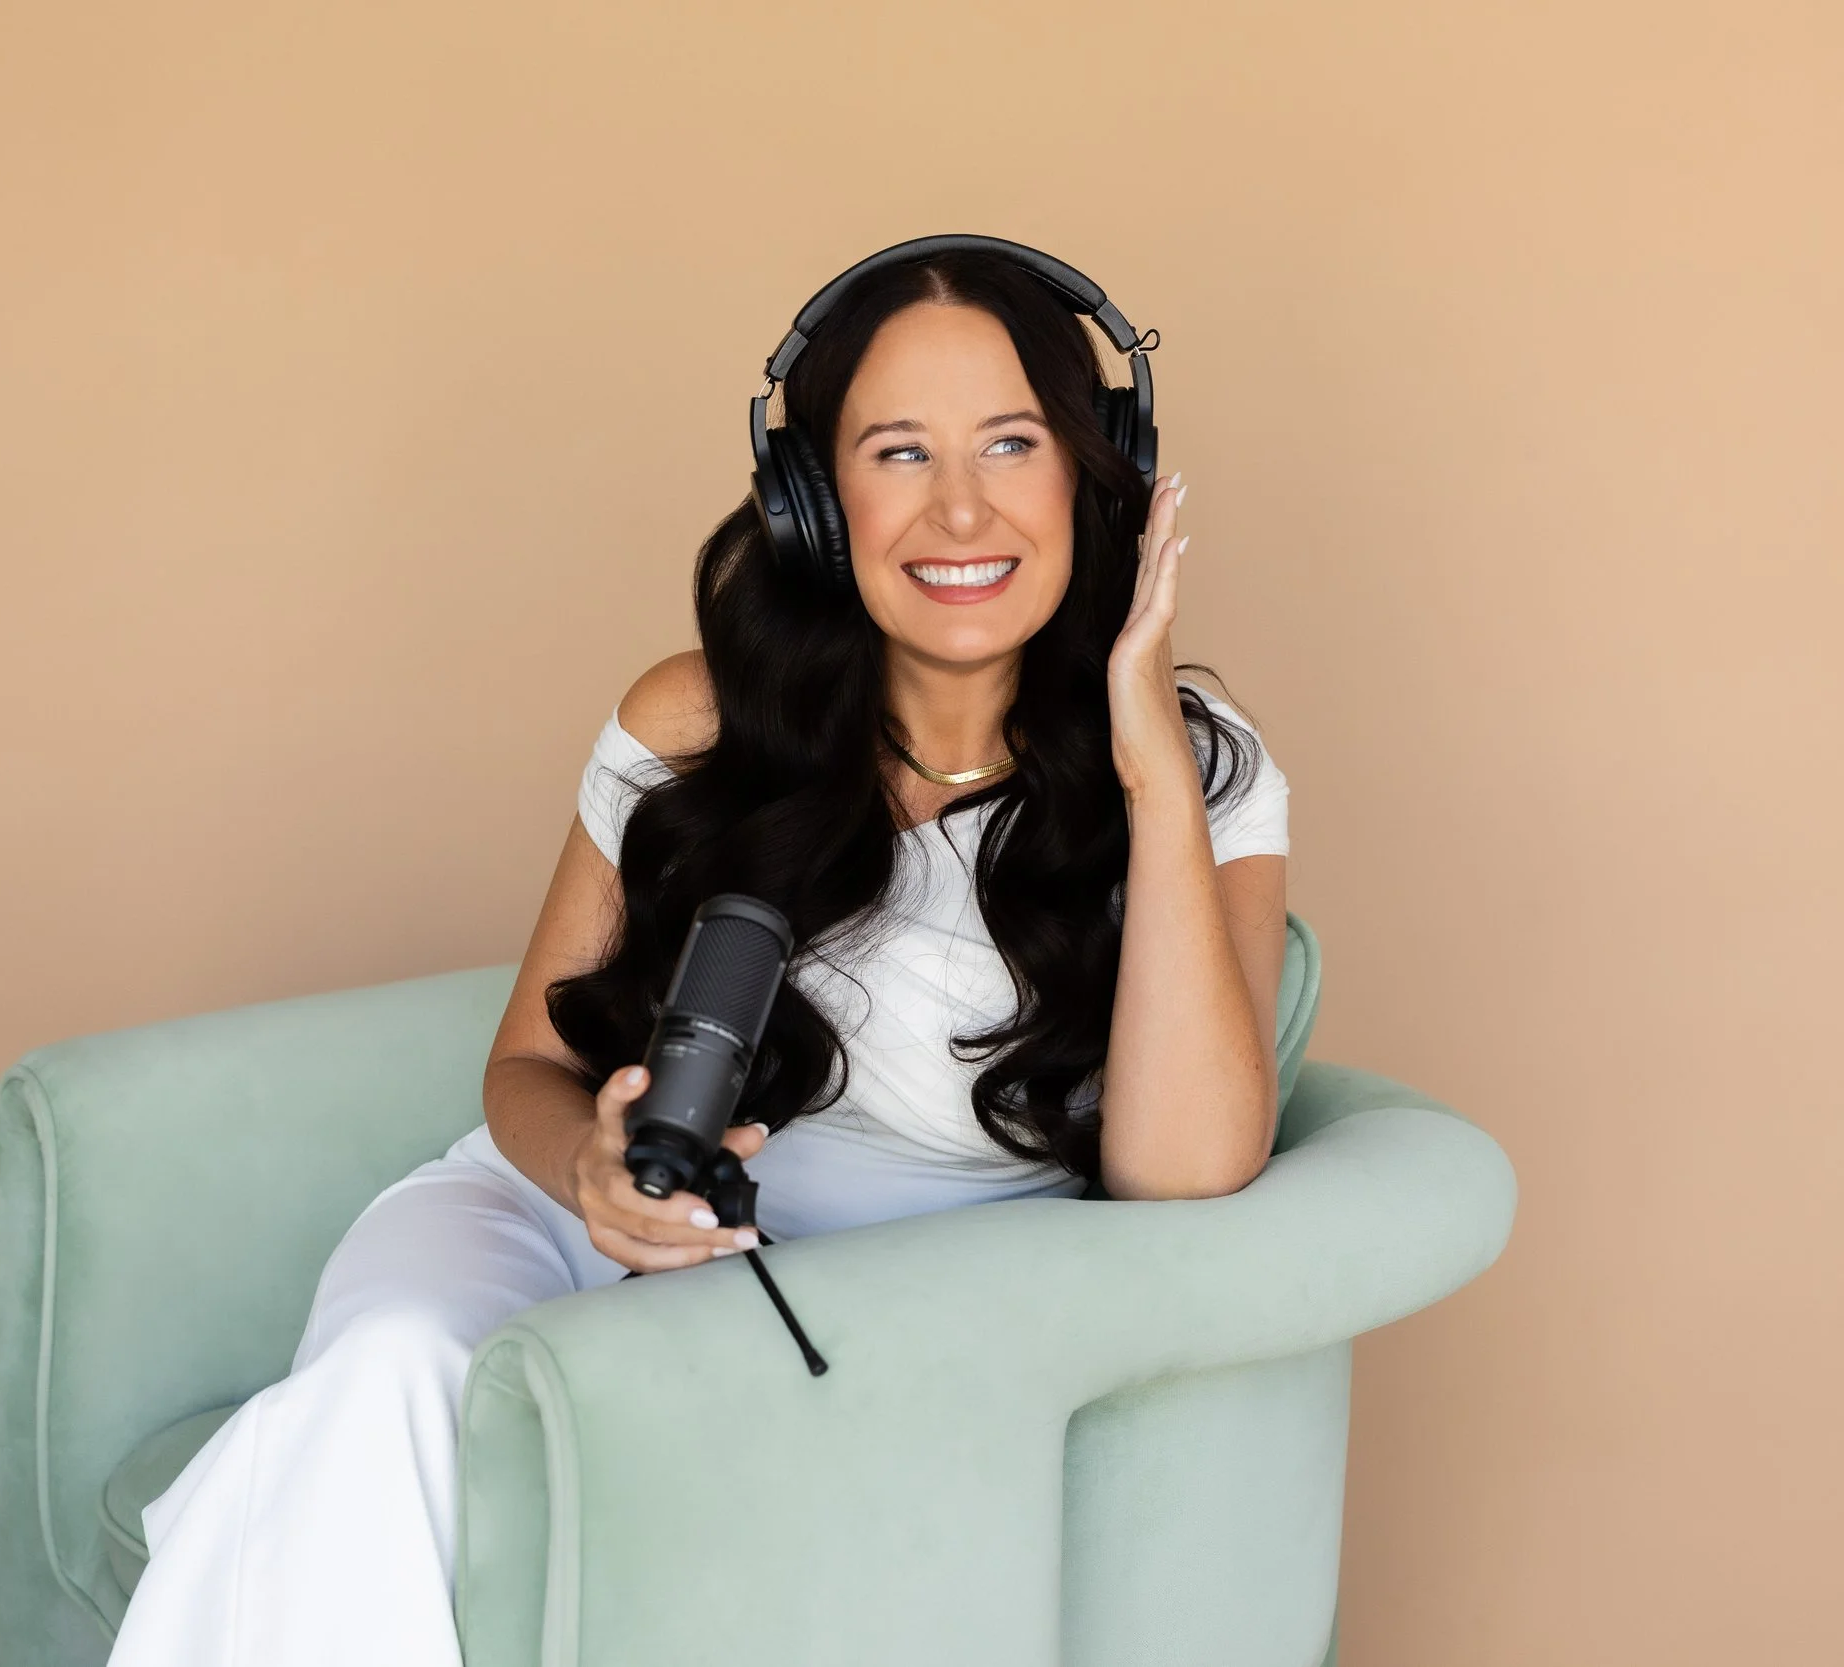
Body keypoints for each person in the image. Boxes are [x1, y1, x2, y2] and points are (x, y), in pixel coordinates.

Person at [106, 240, 1292, 1667]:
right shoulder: (694, 719)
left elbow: (1188, 1168)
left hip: (843, 1308)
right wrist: (593, 1174)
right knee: (383, 1377)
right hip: (568, 1217)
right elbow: (528, 1067)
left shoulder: (1199, 776)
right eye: (898, 452)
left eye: (1011, 442)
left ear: (1095, 471)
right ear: (814, 501)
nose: (960, 508)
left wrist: (1147, 761)